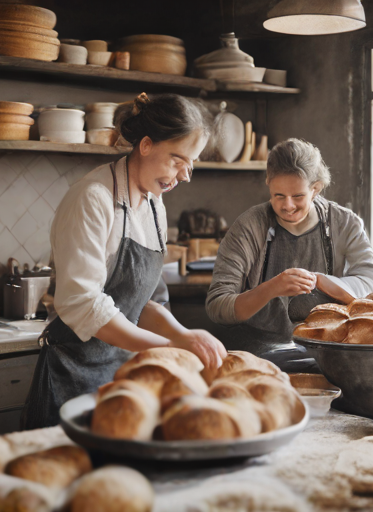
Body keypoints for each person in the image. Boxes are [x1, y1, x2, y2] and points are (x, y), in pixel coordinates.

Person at [22, 93, 226, 429]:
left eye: (191, 163)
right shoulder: (92, 199)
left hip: (125, 382)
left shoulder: (153, 204)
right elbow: (82, 304)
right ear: (145, 145)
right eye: (177, 160)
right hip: (73, 377)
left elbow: (141, 302)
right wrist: (172, 347)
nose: (186, 175)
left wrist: (186, 336)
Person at [205, 138, 373, 358]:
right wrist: (271, 288)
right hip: (260, 352)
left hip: (328, 349)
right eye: (278, 196)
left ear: (316, 189)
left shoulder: (344, 223)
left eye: (298, 196)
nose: (287, 206)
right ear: (268, 183)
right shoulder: (248, 227)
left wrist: (321, 281)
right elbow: (217, 305)